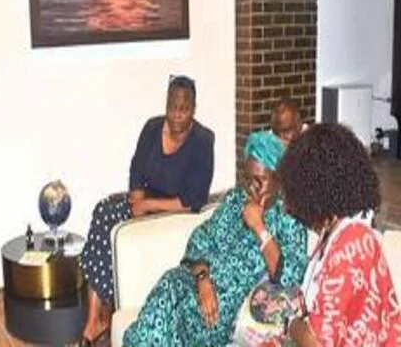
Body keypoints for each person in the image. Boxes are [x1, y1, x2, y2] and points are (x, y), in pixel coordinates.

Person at [122, 131, 308, 346]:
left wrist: (259, 228)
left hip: (222, 309)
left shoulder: (290, 218)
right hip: (199, 283)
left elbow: (290, 277)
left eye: (260, 181)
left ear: (278, 179)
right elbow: (201, 239)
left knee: (169, 317)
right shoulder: (235, 200)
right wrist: (203, 279)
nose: (252, 188)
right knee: (170, 282)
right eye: (248, 179)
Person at [80, 75, 215, 345]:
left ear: (194, 108)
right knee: (104, 212)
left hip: (174, 210)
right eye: (172, 107)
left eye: (184, 109)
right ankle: (95, 319)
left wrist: (147, 206)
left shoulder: (202, 140)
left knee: (116, 224)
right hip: (144, 203)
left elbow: (193, 200)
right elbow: (136, 170)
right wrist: (137, 206)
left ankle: (106, 313)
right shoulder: (153, 128)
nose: (176, 115)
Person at [275, 123, 401, 346]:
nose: (290, 206)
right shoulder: (337, 230)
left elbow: (317, 343)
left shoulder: (352, 244)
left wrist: (292, 324)